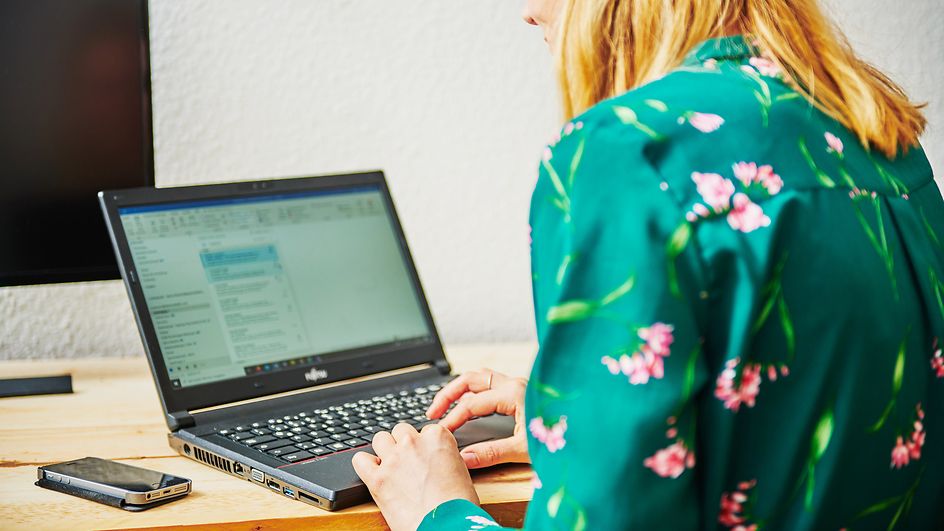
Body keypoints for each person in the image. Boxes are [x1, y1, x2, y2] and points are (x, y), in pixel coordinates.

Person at [351, 0, 944, 529]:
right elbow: (821, 403)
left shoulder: (625, 154)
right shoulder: (872, 122)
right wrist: (585, 427)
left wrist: (436, 510)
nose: (528, 12)